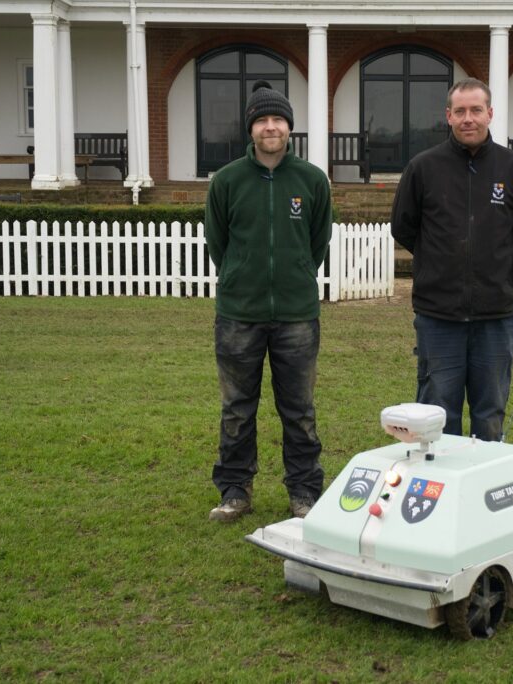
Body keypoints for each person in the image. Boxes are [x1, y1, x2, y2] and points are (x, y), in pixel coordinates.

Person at [390, 77, 513, 442]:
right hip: (438, 317)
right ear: (448, 116)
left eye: (476, 110)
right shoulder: (423, 168)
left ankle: (481, 494)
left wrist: (493, 260)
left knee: (489, 415)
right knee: (436, 417)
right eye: (459, 111)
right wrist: (440, 260)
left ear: (490, 114)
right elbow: (404, 227)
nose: (468, 118)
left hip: (495, 317)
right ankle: (440, 494)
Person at [204, 81, 332, 522]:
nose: (270, 127)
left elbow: (317, 242)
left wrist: (294, 273)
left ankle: (304, 492)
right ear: (251, 128)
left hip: (297, 315)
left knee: (299, 410)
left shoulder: (312, 180)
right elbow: (218, 244)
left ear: (289, 127)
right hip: (239, 314)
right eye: (262, 120)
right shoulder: (227, 181)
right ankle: (235, 490)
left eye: (277, 119)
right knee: (237, 409)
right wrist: (243, 276)